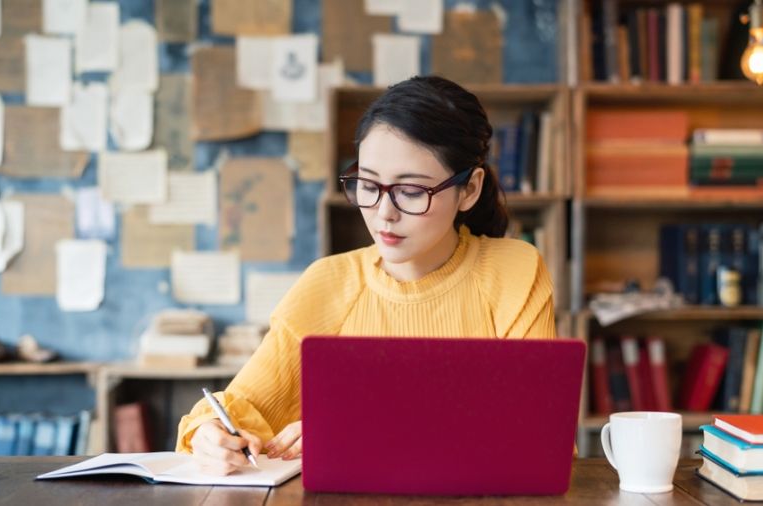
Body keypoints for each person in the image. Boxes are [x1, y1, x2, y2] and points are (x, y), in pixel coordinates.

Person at [176, 76, 557, 475]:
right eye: (368, 184)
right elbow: (243, 405)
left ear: (470, 189)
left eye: (411, 191)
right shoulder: (327, 283)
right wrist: (209, 432)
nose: (383, 213)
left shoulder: (515, 271)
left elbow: (539, 432)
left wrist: (359, 432)